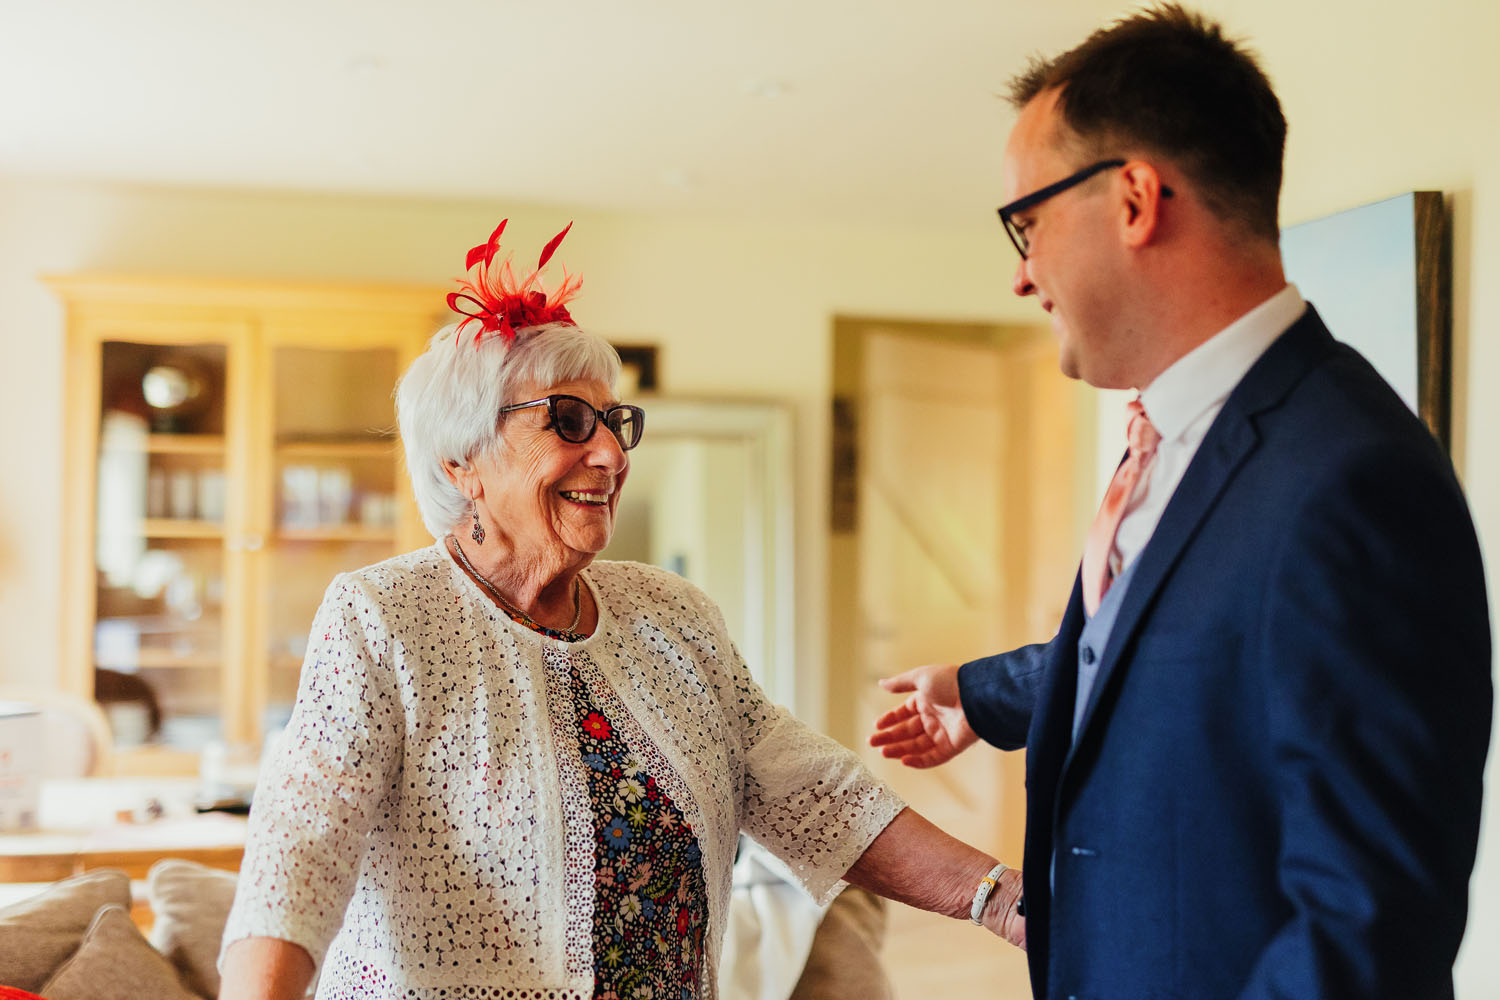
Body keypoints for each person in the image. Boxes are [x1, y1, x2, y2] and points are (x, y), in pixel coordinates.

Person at [218, 220, 1025, 1000]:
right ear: (462, 461)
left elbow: (815, 792)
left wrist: (1003, 900)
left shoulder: (672, 615)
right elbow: (301, 848)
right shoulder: (384, 615)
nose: (609, 453)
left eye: (615, 423)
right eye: (568, 422)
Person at [869, 6, 1491, 998]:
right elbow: (1170, 648)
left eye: (1028, 225)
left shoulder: (1354, 480)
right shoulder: (1172, 439)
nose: (1022, 276)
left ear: (1133, 200)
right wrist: (979, 692)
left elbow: (1365, 931)